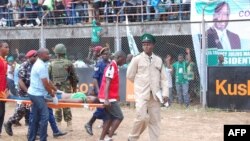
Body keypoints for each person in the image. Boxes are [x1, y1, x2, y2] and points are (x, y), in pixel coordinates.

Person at [127, 33, 169, 141]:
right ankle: (132, 138)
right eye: (144, 44)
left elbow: (164, 79)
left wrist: (165, 94)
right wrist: (140, 85)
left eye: (148, 44)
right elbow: (130, 76)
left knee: (155, 121)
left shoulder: (158, 60)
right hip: (141, 94)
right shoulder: (137, 59)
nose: (146, 46)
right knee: (142, 117)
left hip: (155, 95)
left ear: (153, 45)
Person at [4, 50, 38, 136]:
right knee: (20, 112)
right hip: (24, 92)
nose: (37, 58)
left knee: (33, 112)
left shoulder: (37, 65)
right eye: (35, 56)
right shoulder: (24, 66)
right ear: (30, 57)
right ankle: (9, 123)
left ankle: (31, 133)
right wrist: (28, 91)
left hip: (34, 92)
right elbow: (20, 81)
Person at [27, 47, 58, 141]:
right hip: (37, 95)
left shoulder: (41, 64)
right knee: (45, 117)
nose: (49, 55)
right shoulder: (40, 66)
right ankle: (43, 139)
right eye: (47, 54)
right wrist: (52, 94)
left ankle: (31, 138)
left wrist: (54, 88)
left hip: (35, 93)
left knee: (35, 118)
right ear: (40, 55)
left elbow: (47, 80)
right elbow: (45, 84)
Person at [49, 43, 79, 131]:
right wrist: (74, 88)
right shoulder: (69, 63)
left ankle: (58, 124)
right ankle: (69, 124)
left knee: (57, 105)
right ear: (64, 52)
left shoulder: (51, 64)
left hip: (55, 87)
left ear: (56, 53)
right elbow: (74, 77)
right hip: (66, 87)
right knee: (67, 104)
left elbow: (48, 77)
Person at [98, 51, 126, 141]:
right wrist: (106, 99)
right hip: (108, 98)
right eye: (124, 60)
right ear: (120, 58)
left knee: (109, 118)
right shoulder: (111, 66)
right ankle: (108, 137)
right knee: (119, 116)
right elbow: (107, 83)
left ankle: (102, 139)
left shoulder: (114, 66)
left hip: (109, 97)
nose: (124, 62)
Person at [85, 47, 110, 136]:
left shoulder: (110, 64)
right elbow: (95, 78)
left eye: (107, 54)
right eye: (104, 54)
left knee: (106, 108)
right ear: (101, 55)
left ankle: (106, 127)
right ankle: (89, 123)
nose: (105, 55)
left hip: (107, 90)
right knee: (101, 108)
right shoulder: (99, 64)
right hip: (100, 89)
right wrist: (98, 91)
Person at [0, 41, 9, 136]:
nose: (8, 49)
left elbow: (5, 76)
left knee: (2, 112)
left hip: (2, 90)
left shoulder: (4, 60)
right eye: (6, 47)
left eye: (8, 47)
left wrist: (6, 87)